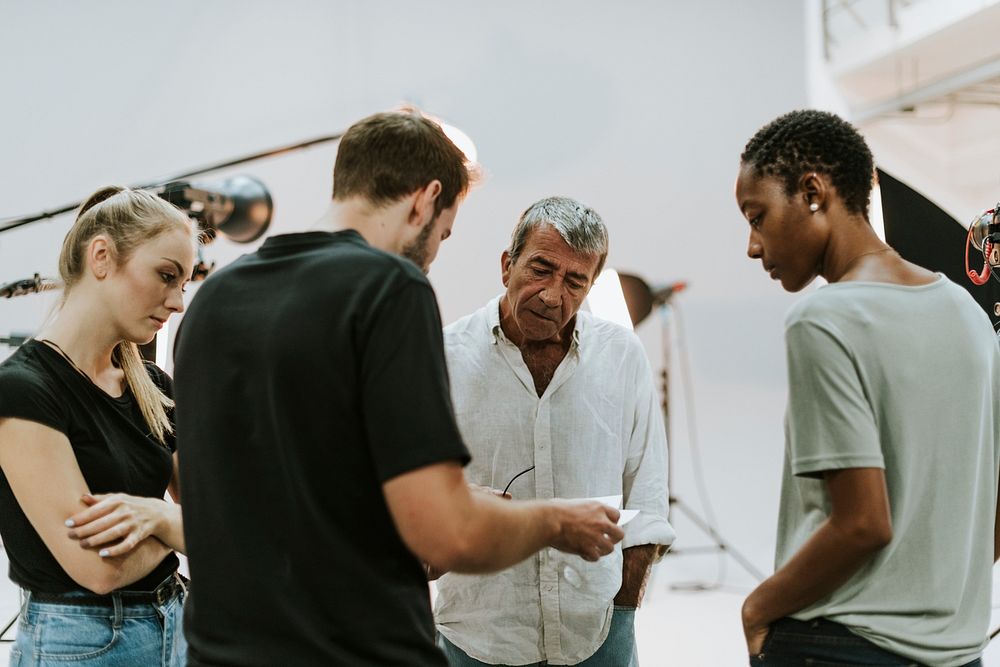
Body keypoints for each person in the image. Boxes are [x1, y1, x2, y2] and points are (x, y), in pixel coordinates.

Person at [173, 110, 624, 667]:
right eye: (442, 231)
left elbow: (264, 497)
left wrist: (446, 499)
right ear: (425, 199)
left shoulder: (216, 297)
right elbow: (446, 537)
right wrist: (559, 521)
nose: (434, 254)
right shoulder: (390, 288)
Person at [735, 109, 1000, 666]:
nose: (753, 247)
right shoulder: (967, 314)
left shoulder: (825, 319)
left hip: (839, 645)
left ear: (813, 192)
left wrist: (757, 609)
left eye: (757, 217)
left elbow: (862, 523)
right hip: (959, 650)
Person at [434, 196, 673, 667]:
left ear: (589, 288)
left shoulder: (622, 355)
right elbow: (423, 496)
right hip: (478, 637)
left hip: (596, 634)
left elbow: (646, 494)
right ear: (508, 265)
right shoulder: (443, 356)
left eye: (574, 282)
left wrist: (622, 613)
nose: (551, 295)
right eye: (541, 269)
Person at [0, 186, 196, 666]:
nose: (178, 303)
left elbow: (225, 522)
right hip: (85, 643)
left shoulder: (151, 384)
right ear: (102, 256)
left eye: (184, 283)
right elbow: (97, 568)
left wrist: (157, 518)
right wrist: (174, 524)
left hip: (178, 620)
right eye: (166, 276)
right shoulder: (23, 388)